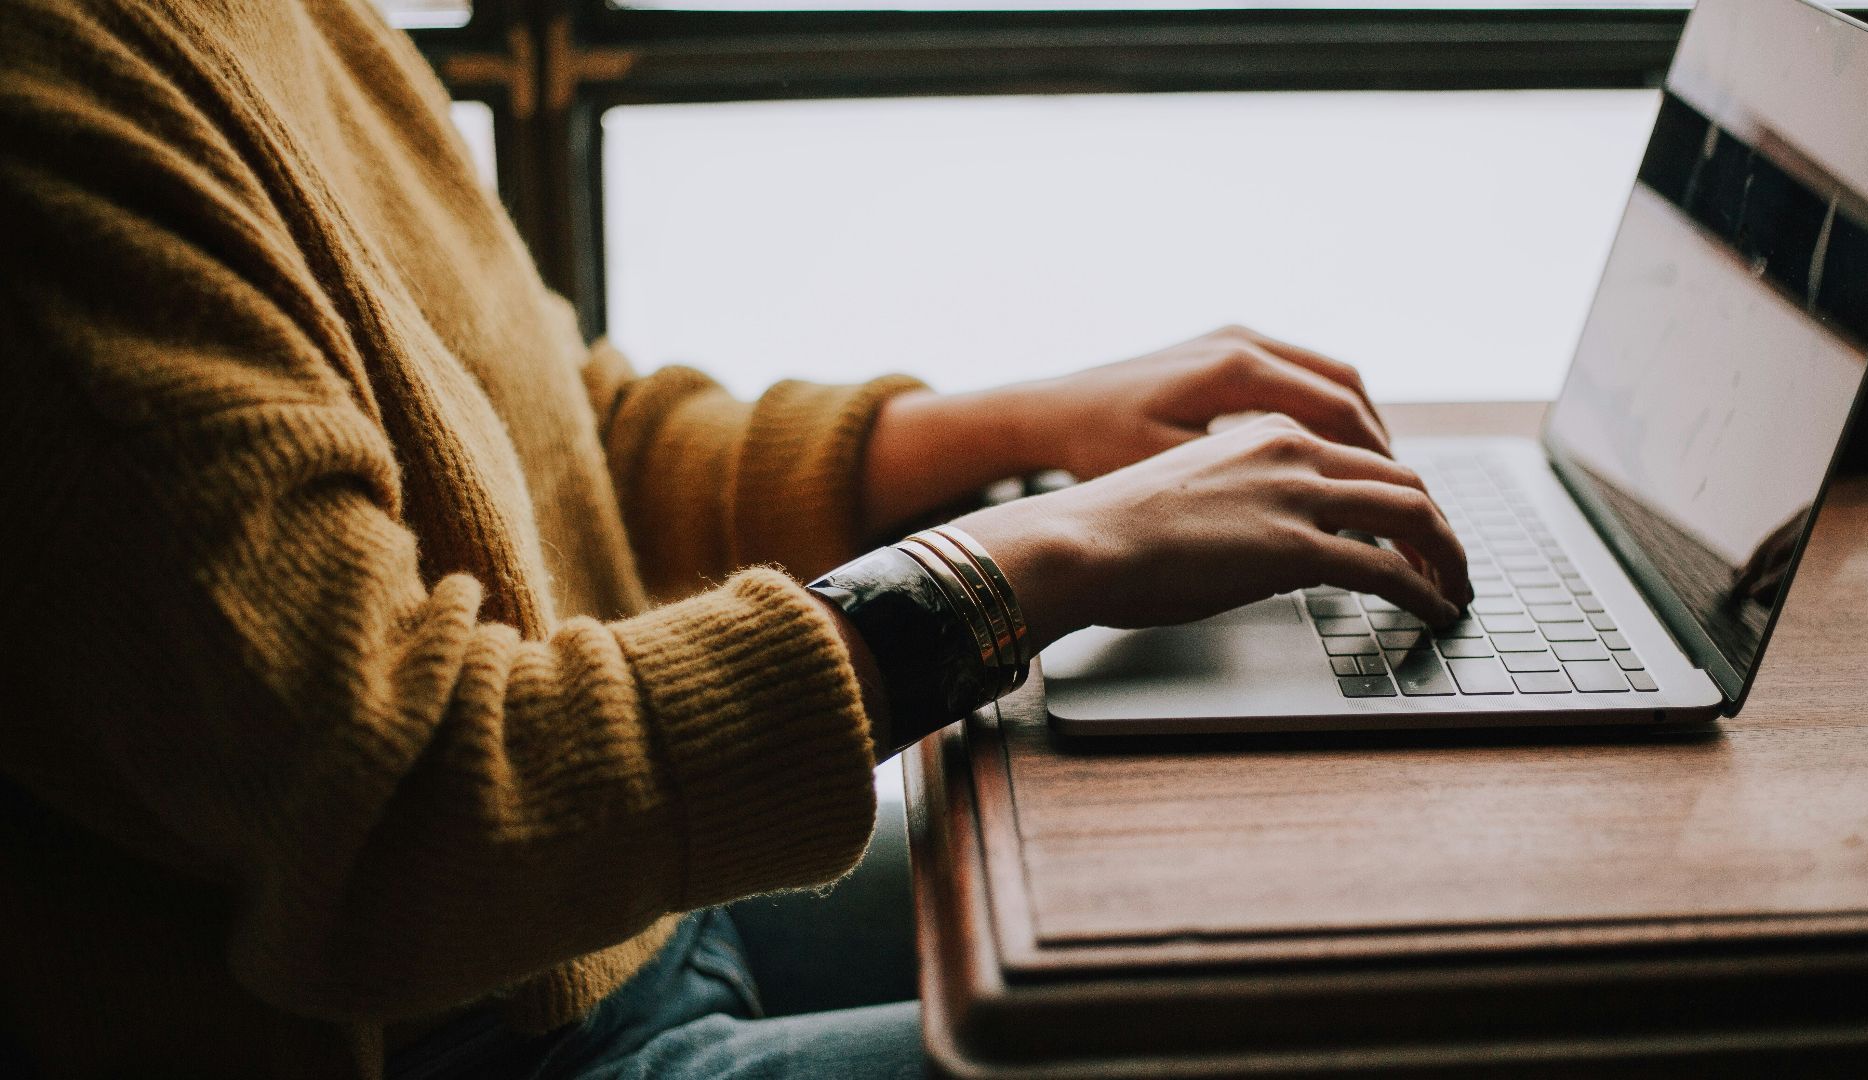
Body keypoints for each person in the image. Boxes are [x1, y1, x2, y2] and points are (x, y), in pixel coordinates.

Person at [0, 1, 1471, 1078]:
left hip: (620, 923)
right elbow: (410, 817)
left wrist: (1015, 427)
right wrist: (1040, 557)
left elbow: (539, 438)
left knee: (1366, 932)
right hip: (461, 1038)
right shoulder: (51, 110)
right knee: (1366, 1044)